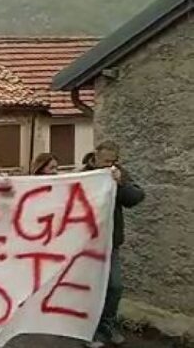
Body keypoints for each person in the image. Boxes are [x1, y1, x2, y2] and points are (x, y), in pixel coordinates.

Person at [85, 141, 145, 348]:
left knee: (115, 287)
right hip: (85, 245)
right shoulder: (82, 174)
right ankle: (87, 330)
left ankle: (106, 327)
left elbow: (136, 197)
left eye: (113, 161)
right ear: (96, 157)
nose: (108, 165)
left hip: (110, 244)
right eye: (105, 161)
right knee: (88, 289)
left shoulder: (118, 174)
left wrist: (121, 184)